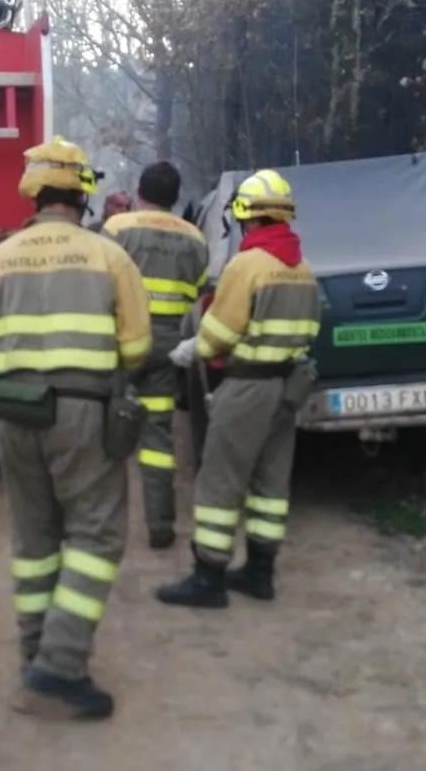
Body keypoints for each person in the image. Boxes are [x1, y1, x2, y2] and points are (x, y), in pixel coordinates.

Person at [0, 136, 151, 720]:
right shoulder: (108, 256)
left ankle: (33, 660)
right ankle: (60, 665)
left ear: (35, 192)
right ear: (83, 194)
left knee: (34, 543)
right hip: (82, 411)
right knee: (96, 536)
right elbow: (138, 347)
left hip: (13, 412)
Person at [159, 169, 321, 607]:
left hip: (247, 386)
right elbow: (310, 329)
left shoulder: (246, 265)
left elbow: (219, 334)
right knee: (271, 482)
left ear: (247, 217)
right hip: (287, 386)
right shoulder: (302, 269)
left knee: (219, 480)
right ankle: (260, 573)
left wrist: (191, 349)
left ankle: (208, 577)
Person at [101, 161, 209, 549]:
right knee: (157, 436)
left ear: (140, 192)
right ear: (175, 197)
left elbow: (99, 282)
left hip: (119, 343)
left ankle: (99, 527)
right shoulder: (196, 239)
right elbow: (197, 292)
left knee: (108, 430)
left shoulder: (116, 229)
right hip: (167, 349)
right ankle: (160, 525)